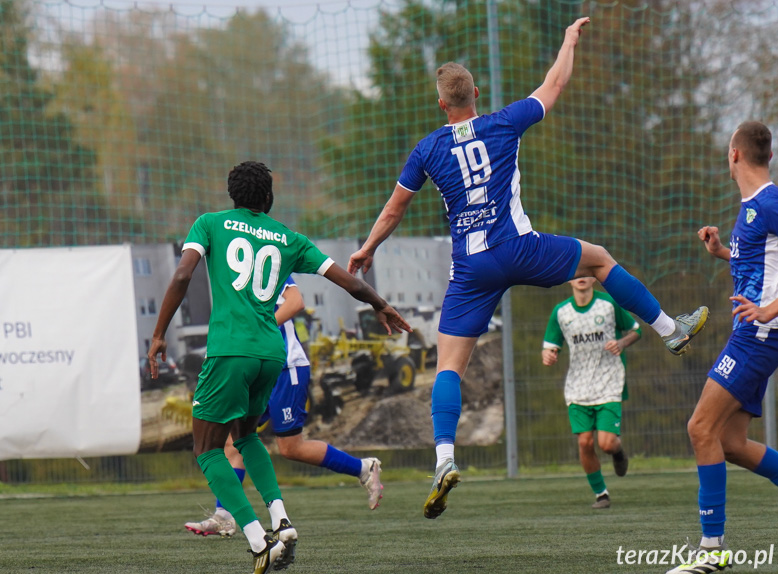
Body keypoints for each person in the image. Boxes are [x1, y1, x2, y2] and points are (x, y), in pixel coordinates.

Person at [346, 17, 708, 520]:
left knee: (448, 366)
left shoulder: (427, 149)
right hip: (520, 248)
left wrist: (367, 249)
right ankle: (671, 329)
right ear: (476, 92)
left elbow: (393, 210)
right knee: (600, 258)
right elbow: (555, 84)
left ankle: (444, 460)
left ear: (441, 105)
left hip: (470, 268)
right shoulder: (503, 121)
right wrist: (567, 40)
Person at [149, 161, 410, 574]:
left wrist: (160, 333)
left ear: (232, 194)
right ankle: (281, 522)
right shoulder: (289, 238)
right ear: (268, 198)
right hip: (273, 354)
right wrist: (380, 304)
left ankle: (257, 540)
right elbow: (348, 282)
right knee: (247, 436)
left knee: (207, 449)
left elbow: (183, 276)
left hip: (229, 351)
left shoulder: (210, 223)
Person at [665, 122, 778, 574]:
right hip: (754, 334)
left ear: (735, 154)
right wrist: (722, 253)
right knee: (730, 443)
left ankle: (712, 550)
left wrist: (771, 310)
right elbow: (762, 260)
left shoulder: (771, 202)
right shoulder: (752, 207)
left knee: (700, 428)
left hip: (759, 336)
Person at [184, 276, 384, 538]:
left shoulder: (269, 264)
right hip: (256, 368)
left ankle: (363, 468)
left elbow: (295, 302)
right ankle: (224, 514)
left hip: (286, 367)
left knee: (290, 448)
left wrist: (258, 328)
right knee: (234, 441)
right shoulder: (236, 269)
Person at [542, 277, 641, 509]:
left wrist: (622, 343)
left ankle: (618, 453)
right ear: (568, 279)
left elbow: (637, 330)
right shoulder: (561, 312)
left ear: (594, 277)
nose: (581, 277)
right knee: (585, 442)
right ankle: (601, 494)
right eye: (576, 273)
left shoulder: (608, 304)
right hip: (578, 386)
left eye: (586, 271)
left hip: (609, 381)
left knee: (606, 443)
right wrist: (548, 356)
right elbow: (549, 347)